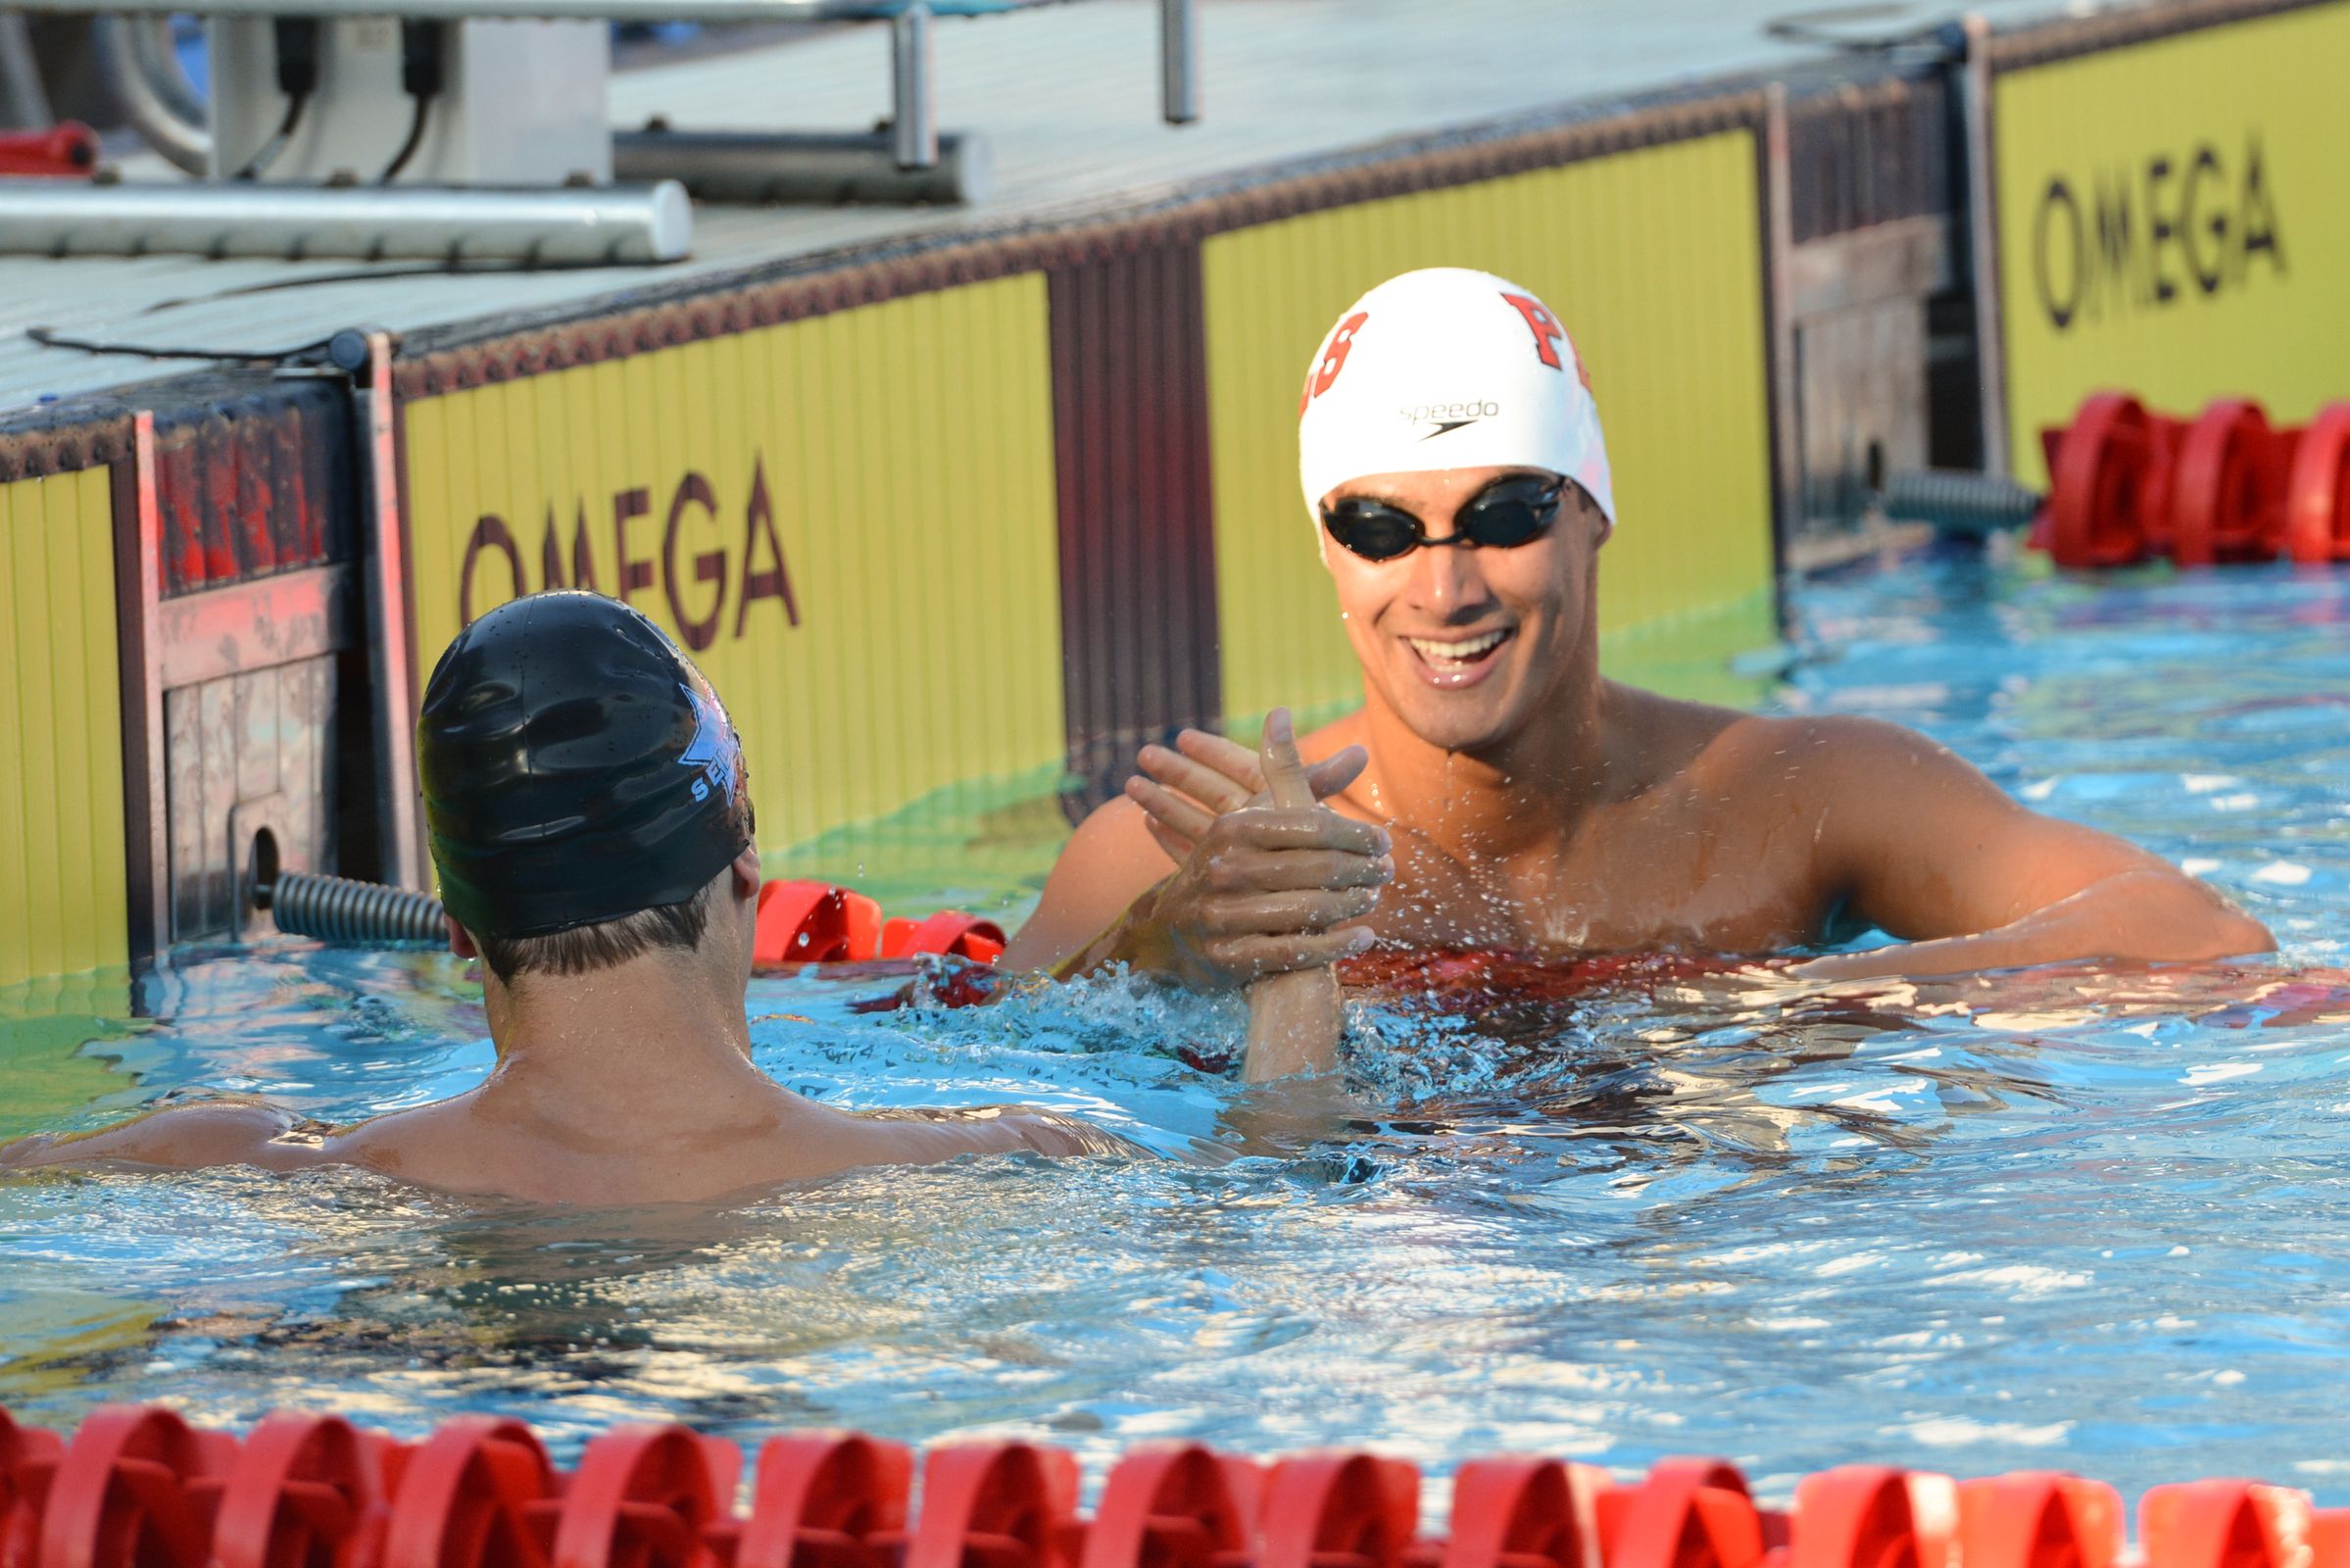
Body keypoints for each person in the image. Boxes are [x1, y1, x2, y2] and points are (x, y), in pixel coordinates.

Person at [1003, 267, 2273, 1065]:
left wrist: (1787, 1007)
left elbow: (2191, 934)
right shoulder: (1184, 858)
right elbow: (982, 1085)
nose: (1443, 588)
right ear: (1328, 552)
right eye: (1380, 528)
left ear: (1591, 513)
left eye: (1504, 516)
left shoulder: (1800, 790)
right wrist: (1167, 947)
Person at [2, 594, 1116, 1202]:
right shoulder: (1000, 1163)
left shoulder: (250, 1167)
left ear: (460, 931)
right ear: (743, 876)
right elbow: (1278, 1166)